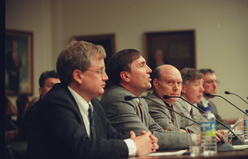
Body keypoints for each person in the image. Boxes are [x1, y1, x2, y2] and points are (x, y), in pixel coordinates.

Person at [27, 41, 158, 159]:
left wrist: (142, 140)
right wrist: (133, 145)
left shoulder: (93, 102)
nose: (106, 77)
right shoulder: (56, 103)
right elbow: (84, 148)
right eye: (100, 71)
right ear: (78, 76)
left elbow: (112, 135)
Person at [101, 49, 199, 150]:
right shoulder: (118, 99)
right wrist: (197, 139)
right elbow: (145, 139)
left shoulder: (140, 100)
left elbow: (159, 132)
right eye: (142, 65)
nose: (150, 70)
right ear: (126, 76)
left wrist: (196, 138)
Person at [145, 64, 200, 133]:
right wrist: (186, 132)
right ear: (156, 83)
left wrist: (184, 131)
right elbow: (171, 134)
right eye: (170, 82)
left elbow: (198, 126)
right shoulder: (152, 104)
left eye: (179, 83)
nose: (176, 88)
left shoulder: (178, 104)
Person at [18, 70, 61, 140]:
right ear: (41, 91)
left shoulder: (61, 109)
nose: (56, 90)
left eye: (58, 86)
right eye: (51, 86)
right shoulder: (34, 112)